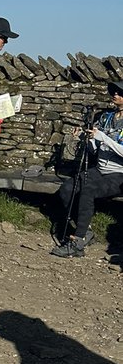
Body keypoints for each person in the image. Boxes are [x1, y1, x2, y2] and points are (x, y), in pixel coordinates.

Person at [51, 80, 123, 258]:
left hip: (119, 174)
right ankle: (86, 230)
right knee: (68, 188)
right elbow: (95, 150)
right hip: (99, 169)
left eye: (120, 92)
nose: (115, 95)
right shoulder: (106, 117)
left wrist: (103, 137)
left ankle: (77, 242)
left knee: (88, 190)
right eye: (114, 91)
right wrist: (87, 139)